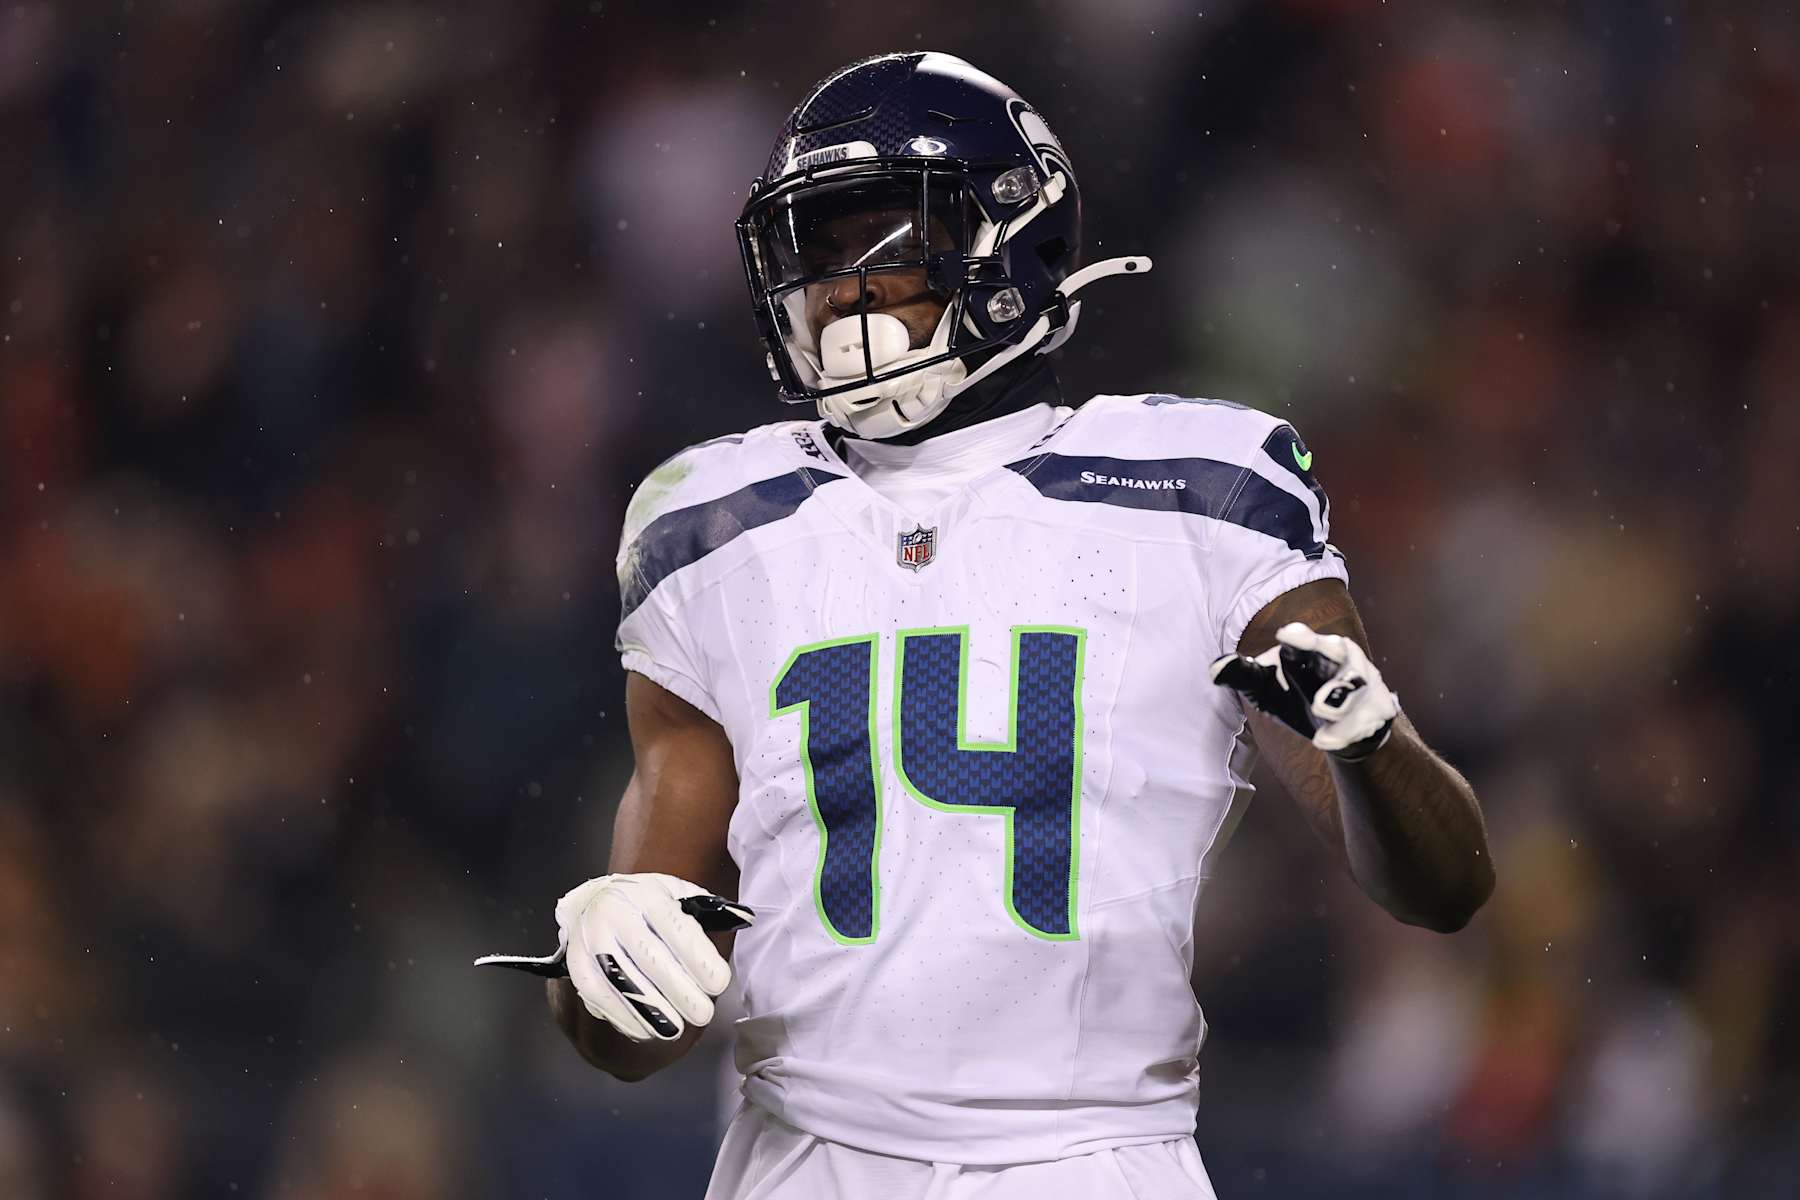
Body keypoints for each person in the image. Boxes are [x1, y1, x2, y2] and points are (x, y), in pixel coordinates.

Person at [527, 51, 1493, 1198]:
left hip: (1093, 1158)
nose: (843, 289)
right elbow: (636, 1030)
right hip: (806, 1161)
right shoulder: (711, 522)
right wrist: (594, 974)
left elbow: (1445, 888)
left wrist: (1374, 749)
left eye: (884, 239)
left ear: (1008, 243)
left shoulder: (1199, 481)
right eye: (819, 255)